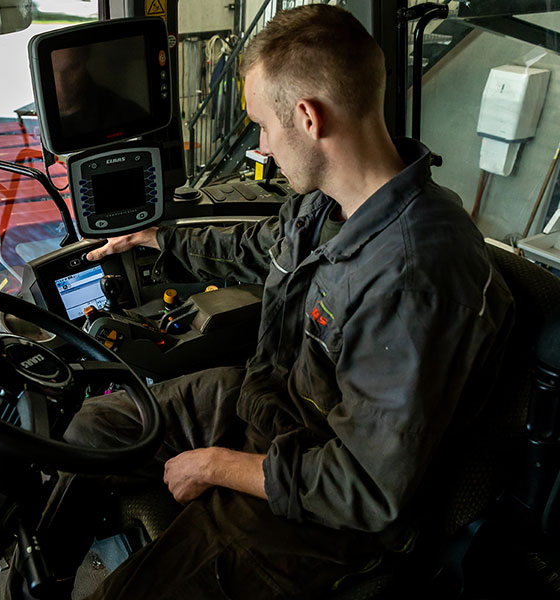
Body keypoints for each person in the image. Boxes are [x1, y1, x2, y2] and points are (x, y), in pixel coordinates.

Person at [64, 5, 514, 599]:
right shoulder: (330, 202)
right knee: (95, 428)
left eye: (263, 127)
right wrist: (157, 239)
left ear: (306, 117)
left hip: (330, 508)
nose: (262, 145)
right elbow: (263, 248)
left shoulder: (415, 279)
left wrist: (217, 466)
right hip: (271, 404)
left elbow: (365, 489)